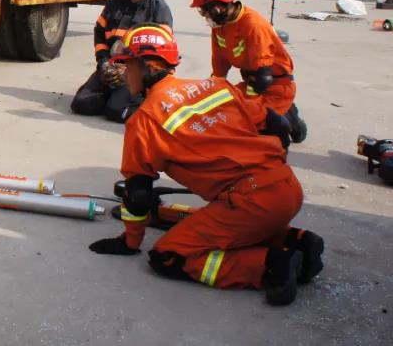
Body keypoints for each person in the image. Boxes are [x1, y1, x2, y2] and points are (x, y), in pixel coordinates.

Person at [87, 24, 324, 306]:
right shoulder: (215, 87)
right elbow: (278, 124)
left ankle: (271, 265)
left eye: (128, 66)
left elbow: (138, 195)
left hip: (250, 204)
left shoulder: (145, 120)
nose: (125, 74)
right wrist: (273, 166)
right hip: (287, 189)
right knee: (235, 227)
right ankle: (299, 241)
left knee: (168, 255)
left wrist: (130, 242)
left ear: (148, 67)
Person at [190, 0, 306, 143]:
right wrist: (211, 93)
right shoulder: (220, 24)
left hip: (275, 85)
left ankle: (286, 121)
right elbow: (219, 64)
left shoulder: (253, 25)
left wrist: (249, 109)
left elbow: (262, 79)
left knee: (248, 124)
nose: (204, 15)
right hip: (252, 81)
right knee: (222, 109)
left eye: (204, 10)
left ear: (217, 6)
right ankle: (281, 113)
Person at [71, 0, 173, 122]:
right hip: (111, 68)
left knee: (116, 111)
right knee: (80, 103)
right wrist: (104, 64)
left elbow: (162, 55)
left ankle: (147, 101)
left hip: (137, 74)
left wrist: (131, 70)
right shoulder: (115, 2)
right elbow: (100, 36)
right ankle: (116, 98)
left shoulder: (158, 8)